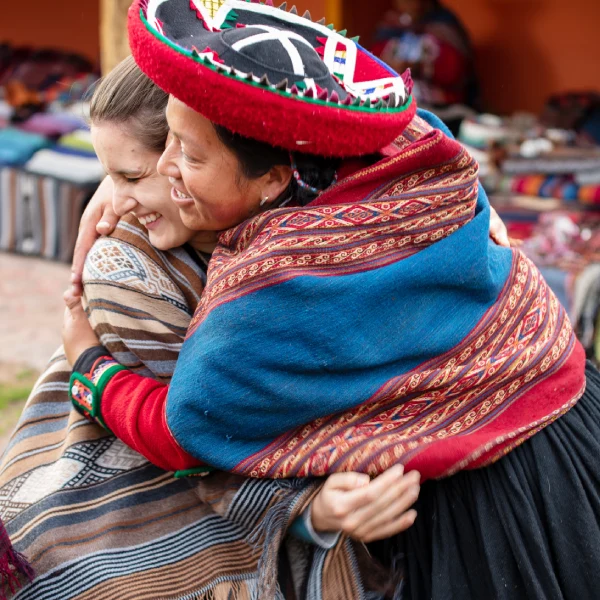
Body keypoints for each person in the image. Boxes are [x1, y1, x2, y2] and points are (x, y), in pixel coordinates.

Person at [63, 1, 600, 598]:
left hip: (487, 509)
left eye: (187, 155)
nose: (167, 169)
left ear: (273, 179)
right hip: (568, 406)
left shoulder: (272, 290)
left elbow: (184, 428)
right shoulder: (410, 148)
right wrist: (121, 182)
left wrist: (87, 367)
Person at [0, 56, 420, 599]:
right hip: (140, 512)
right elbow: (201, 434)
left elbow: (397, 123)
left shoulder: (309, 228)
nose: (112, 204)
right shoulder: (125, 270)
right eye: (108, 175)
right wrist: (307, 510)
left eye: (132, 174)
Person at [371, 0, 478, 129]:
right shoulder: (391, 27)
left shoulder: (444, 27)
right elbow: (373, 66)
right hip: (396, 109)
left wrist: (418, 66)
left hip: (441, 112)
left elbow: (455, 73)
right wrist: (392, 66)